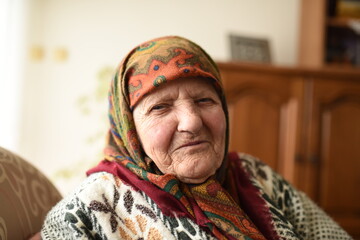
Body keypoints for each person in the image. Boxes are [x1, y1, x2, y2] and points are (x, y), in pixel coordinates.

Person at [40, 36, 351, 239]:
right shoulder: (94, 206)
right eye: (160, 107)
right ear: (129, 130)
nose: (191, 123)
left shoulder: (254, 175)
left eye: (204, 101)